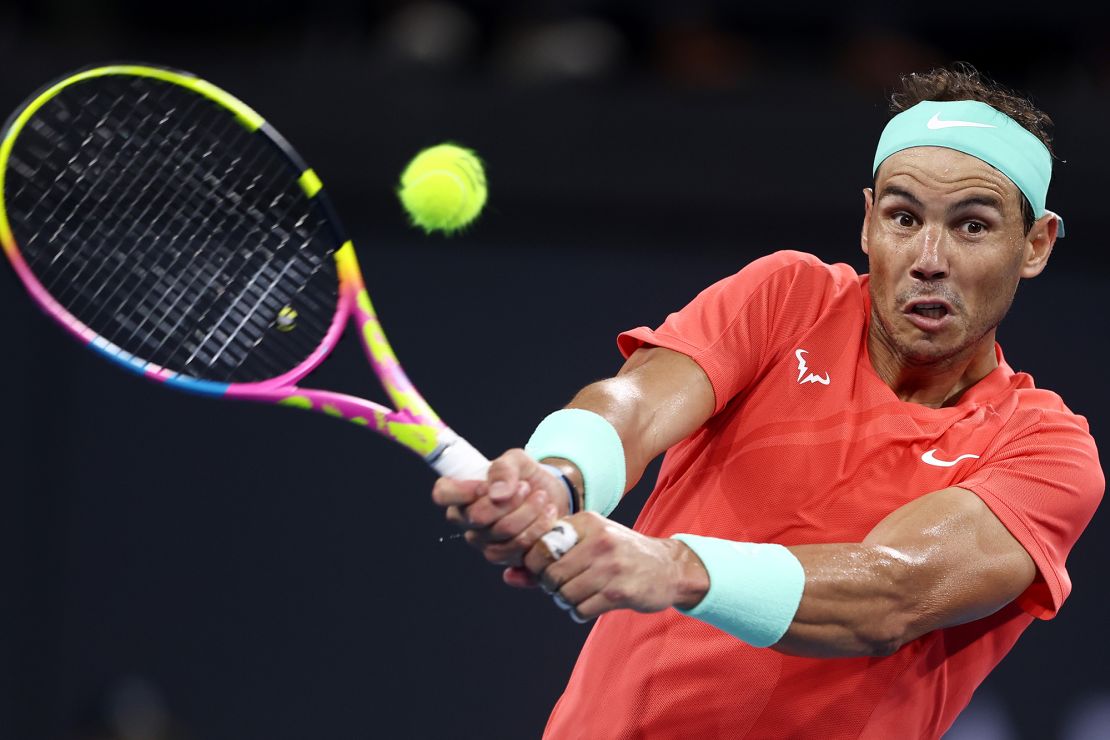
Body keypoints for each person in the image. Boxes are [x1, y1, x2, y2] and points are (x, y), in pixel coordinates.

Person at [432, 63, 1104, 739]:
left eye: (972, 227)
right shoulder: (788, 299)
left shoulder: (1046, 451)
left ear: (1036, 245)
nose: (928, 257)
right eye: (903, 217)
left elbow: (890, 592)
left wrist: (676, 568)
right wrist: (560, 475)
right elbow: (633, 404)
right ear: (869, 224)